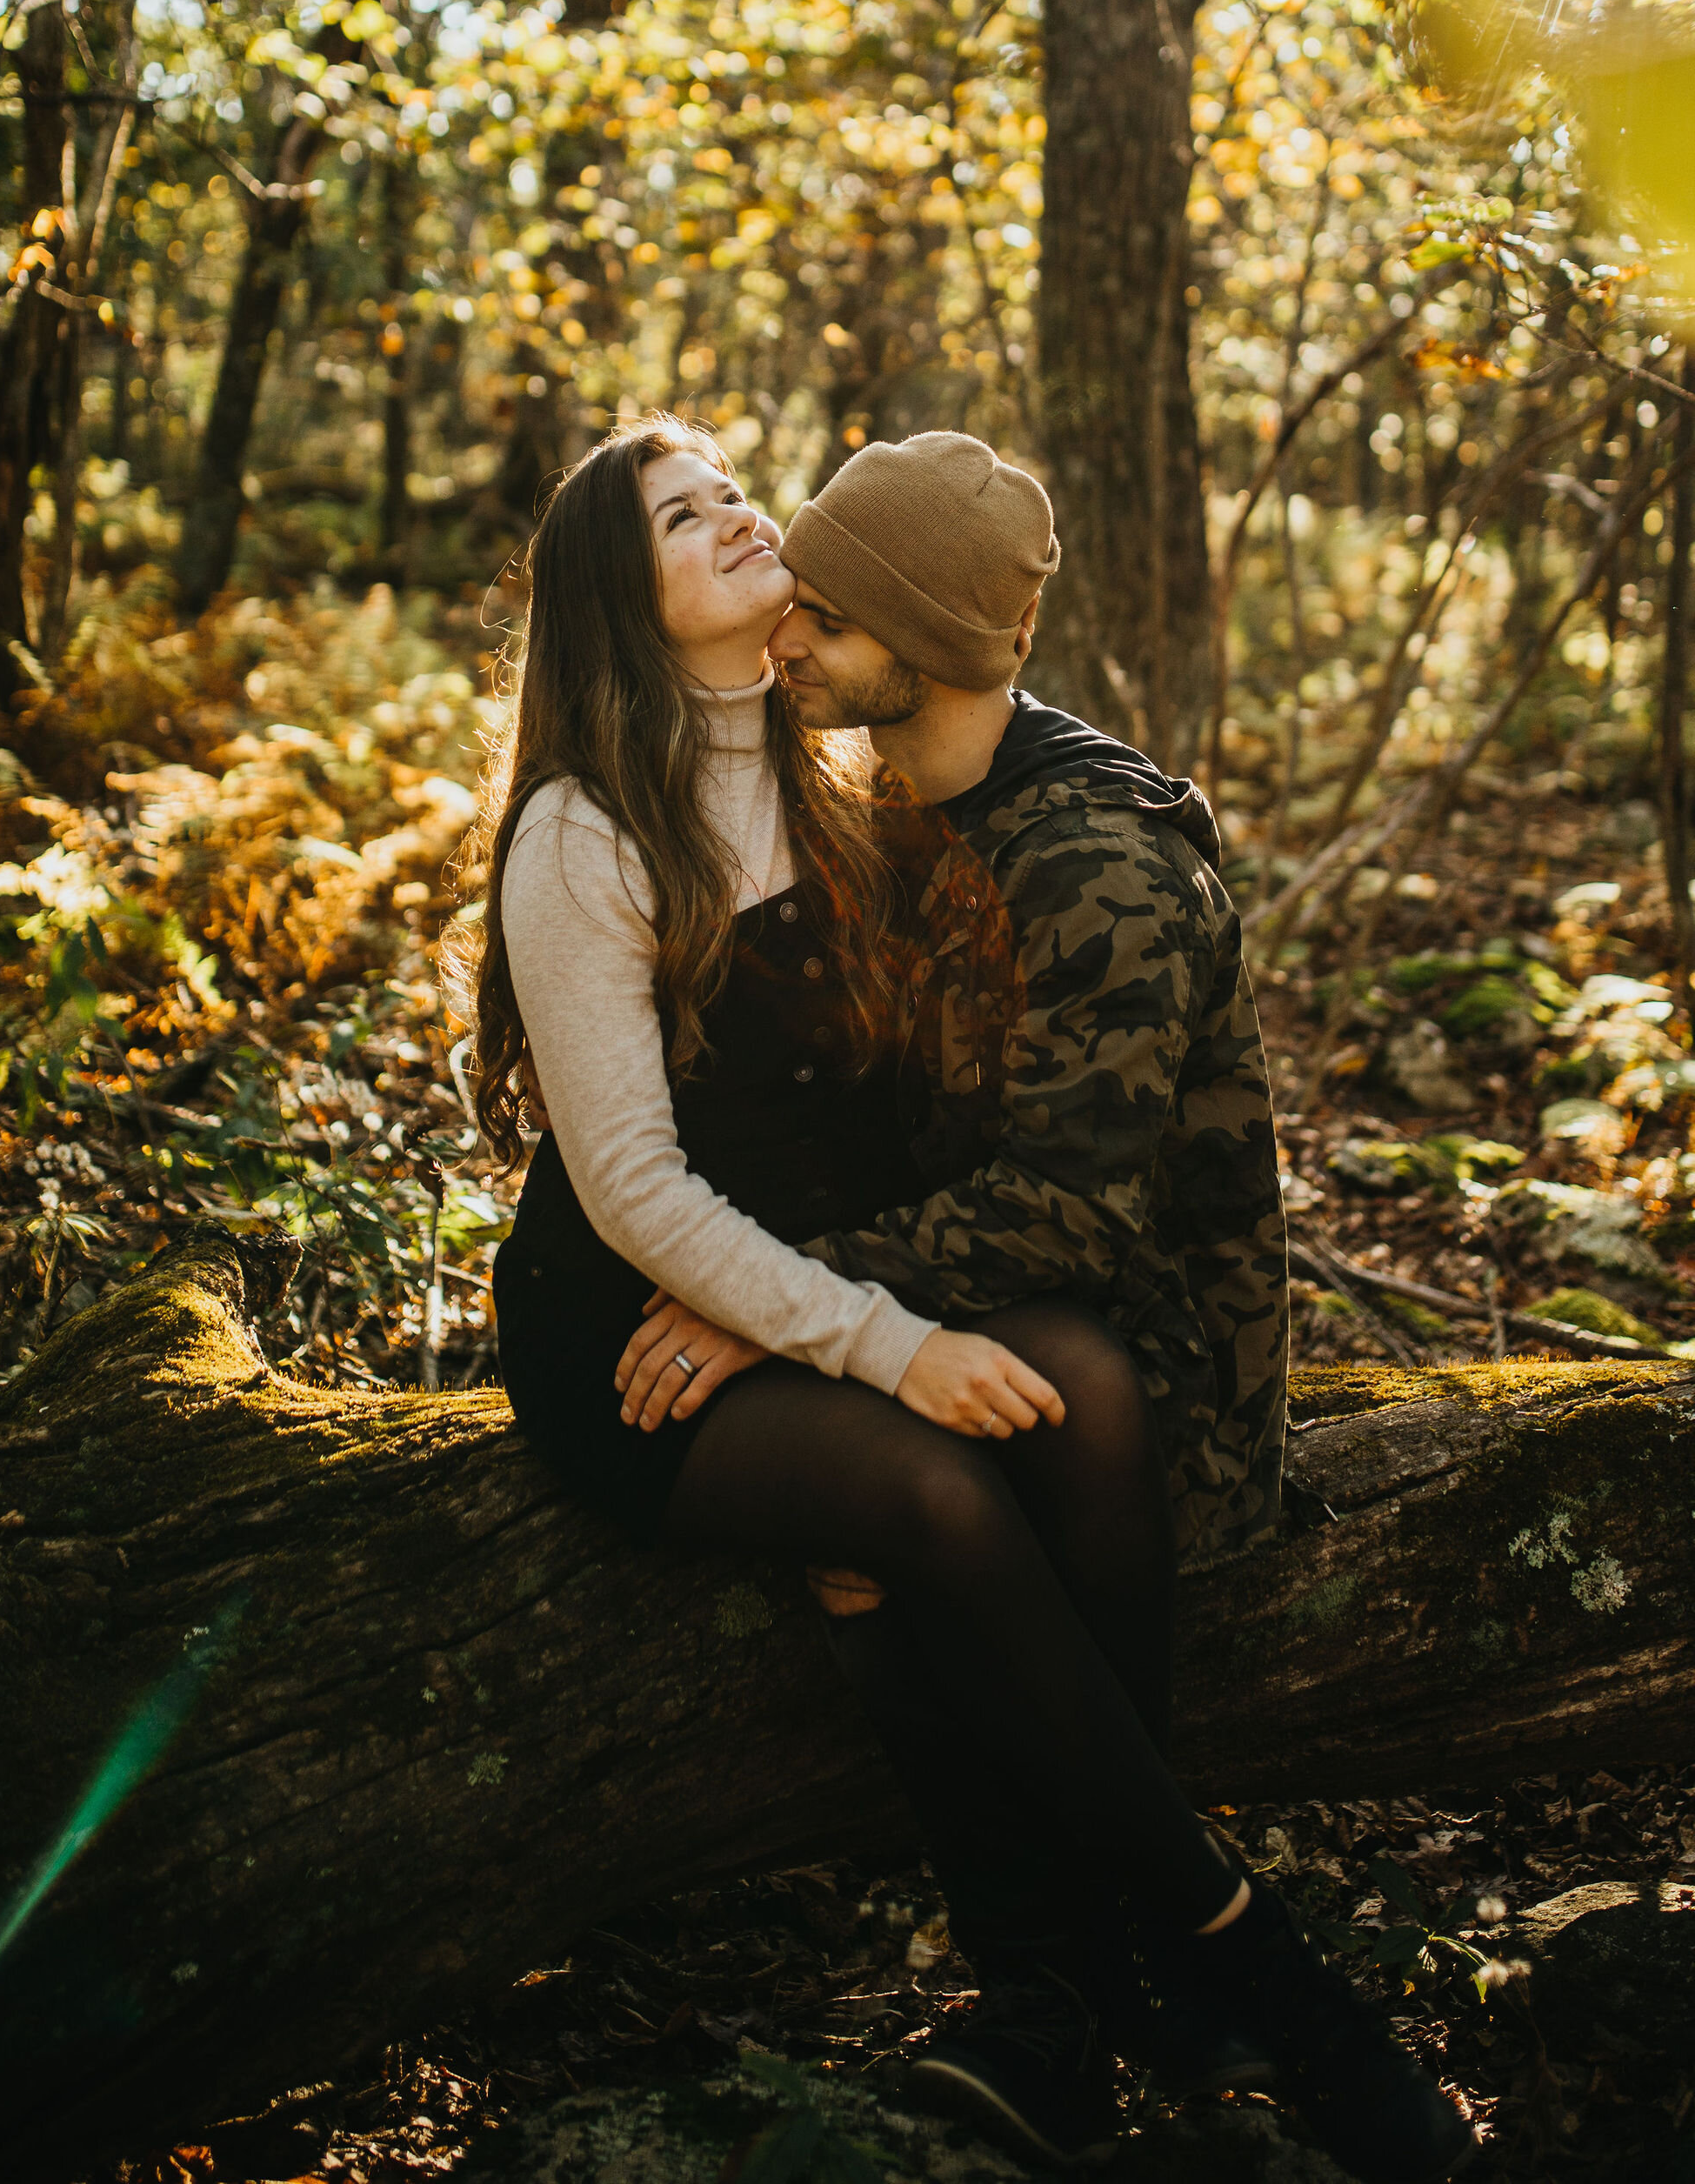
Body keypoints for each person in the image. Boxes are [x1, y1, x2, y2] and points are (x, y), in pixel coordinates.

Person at [604, 431, 1473, 2184]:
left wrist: (788, 1316)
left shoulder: (1098, 858)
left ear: (920, 643)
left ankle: (1084, 1988)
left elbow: (1074, 1217)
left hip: (1150, 1365)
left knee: (1015, 1420)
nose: (788, 636)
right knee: (908, 1484)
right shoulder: (871, 806)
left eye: (827, 615)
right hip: (948, 1317)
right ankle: (1108, 1998)